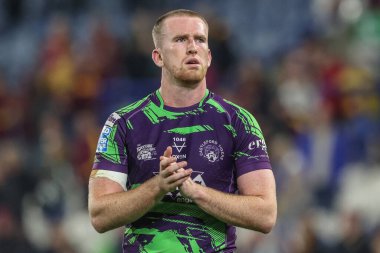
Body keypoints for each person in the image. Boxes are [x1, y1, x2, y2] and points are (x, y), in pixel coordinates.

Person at [88, 9, 277, 253]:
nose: (192, 47)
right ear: (158, 57)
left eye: (199, 40)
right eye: (180, 40)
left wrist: (196, 192)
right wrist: (159, 186)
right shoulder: (123, 123)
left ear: (208, 56)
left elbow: (266, 215)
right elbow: (100, 215)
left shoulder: (239, 122)